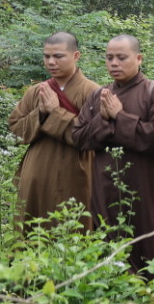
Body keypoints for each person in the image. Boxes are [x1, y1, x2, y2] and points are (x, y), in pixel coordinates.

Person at [73, 35, 154, 271]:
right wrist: (104, 118)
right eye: (109, 58)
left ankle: (151, 293)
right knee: (106, 235)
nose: (114, 63)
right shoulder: (99, 96)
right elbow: (79, 138)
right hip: (104, 183)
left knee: (148, 239)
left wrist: (120, 117)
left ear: (139, 58)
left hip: (146, 185)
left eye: (122, 57)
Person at [7, 31, 101, 226]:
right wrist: (40, 113)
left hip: (76, 172)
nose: (51, 62)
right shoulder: (37, 91)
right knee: (31, 226)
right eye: (46, 56)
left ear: (76, 56)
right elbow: (15, 129)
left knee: (73, 224)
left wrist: (55, 112)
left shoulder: (91, 91)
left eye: (58, 56)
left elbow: (94, 136)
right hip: (36, 171)